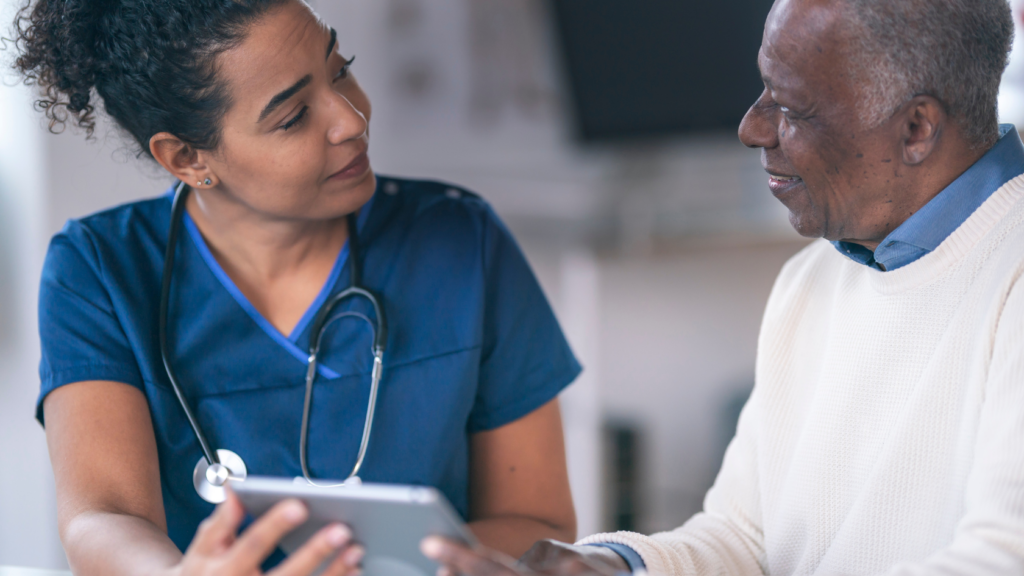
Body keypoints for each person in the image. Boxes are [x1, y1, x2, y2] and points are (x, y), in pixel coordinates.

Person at [422, 0, 1024, 574]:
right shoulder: (812, 280)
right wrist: (609, 567)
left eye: (792, 109)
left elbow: (1003, 561)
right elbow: (743, 538)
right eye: (763, 91)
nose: (752, 128)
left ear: (916, 128)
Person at [9, 0, 581, 574]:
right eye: (292, 117)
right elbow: (102, 517)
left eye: (340, 70)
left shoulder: (462, 240)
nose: (351, 120)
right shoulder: (100, 269)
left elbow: (539, 520)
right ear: (186, 157)